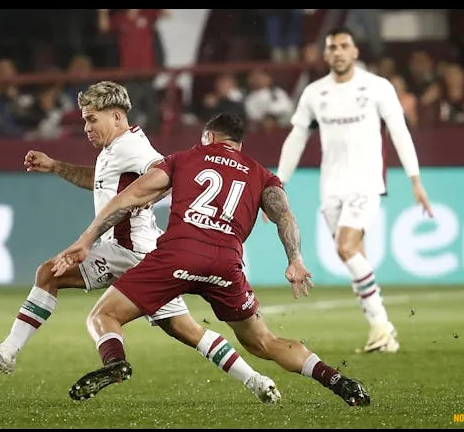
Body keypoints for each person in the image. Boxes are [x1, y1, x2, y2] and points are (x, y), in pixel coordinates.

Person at [0, 81, 281, 404]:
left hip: (130, 250)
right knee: (185, 329)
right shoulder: (114, 151)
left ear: (118, 116)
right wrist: (57, 166)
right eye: (84, 120)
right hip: (138, 252)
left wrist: (150, 196)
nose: (86, 127)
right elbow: (99, 180)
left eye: (92, 119)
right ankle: (256, 380)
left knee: (50, 274)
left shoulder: (134, 147)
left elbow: (166, 173)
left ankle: (17, 352)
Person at [52, 112, 371, 407]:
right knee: (263, 341)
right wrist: (295, 259)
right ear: (238, 144)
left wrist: (86, 240)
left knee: (103, 315)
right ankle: (338, 381)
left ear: (209, 137)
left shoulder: (184, 158)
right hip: (226, 265)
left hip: (178, 255)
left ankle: (115, 362)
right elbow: (284, 215)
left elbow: (129, 198)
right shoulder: (261, 175)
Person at [265, 27, 434, 354]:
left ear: (355, 51)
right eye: (333, 47)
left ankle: (382, 325)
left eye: (345, 46)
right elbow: (297, 136)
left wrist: (415, 179)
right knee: (356, 256)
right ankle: (381, 333)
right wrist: (278, 182)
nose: (339, 52)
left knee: (345, 247)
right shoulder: (315, 93)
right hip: (330, 186)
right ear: (326, 55)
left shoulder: (377, 87)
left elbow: (399, 130)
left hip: (366, 182)